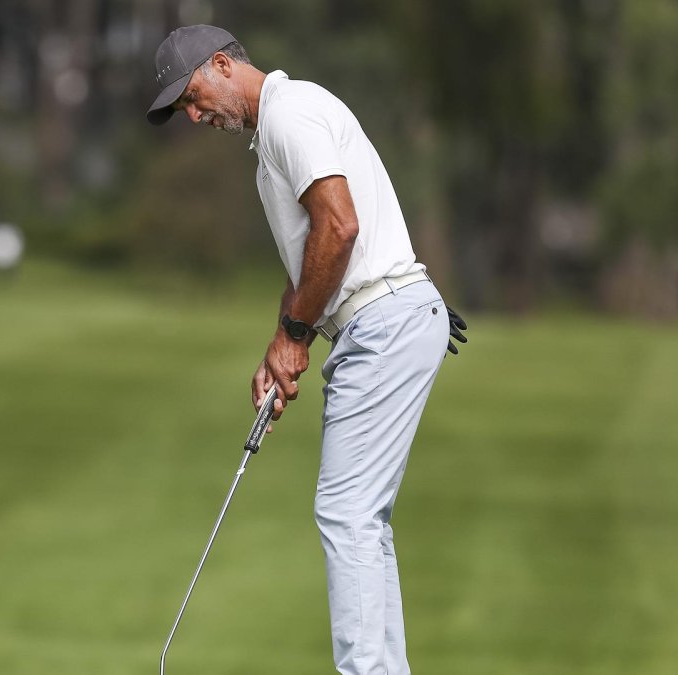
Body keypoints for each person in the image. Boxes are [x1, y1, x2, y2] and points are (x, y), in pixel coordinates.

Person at [146, 25, 467, 675]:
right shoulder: (273, 142)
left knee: (347, 514)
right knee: (361, 520)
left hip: (381, 323)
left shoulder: (292, 115)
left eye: (194, 96)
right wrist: (279, 342)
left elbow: (340, 224)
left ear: (221, 64)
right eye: (184, 108)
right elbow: (312, 252)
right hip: (382, 318)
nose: (196, 114)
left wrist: (299, 337)